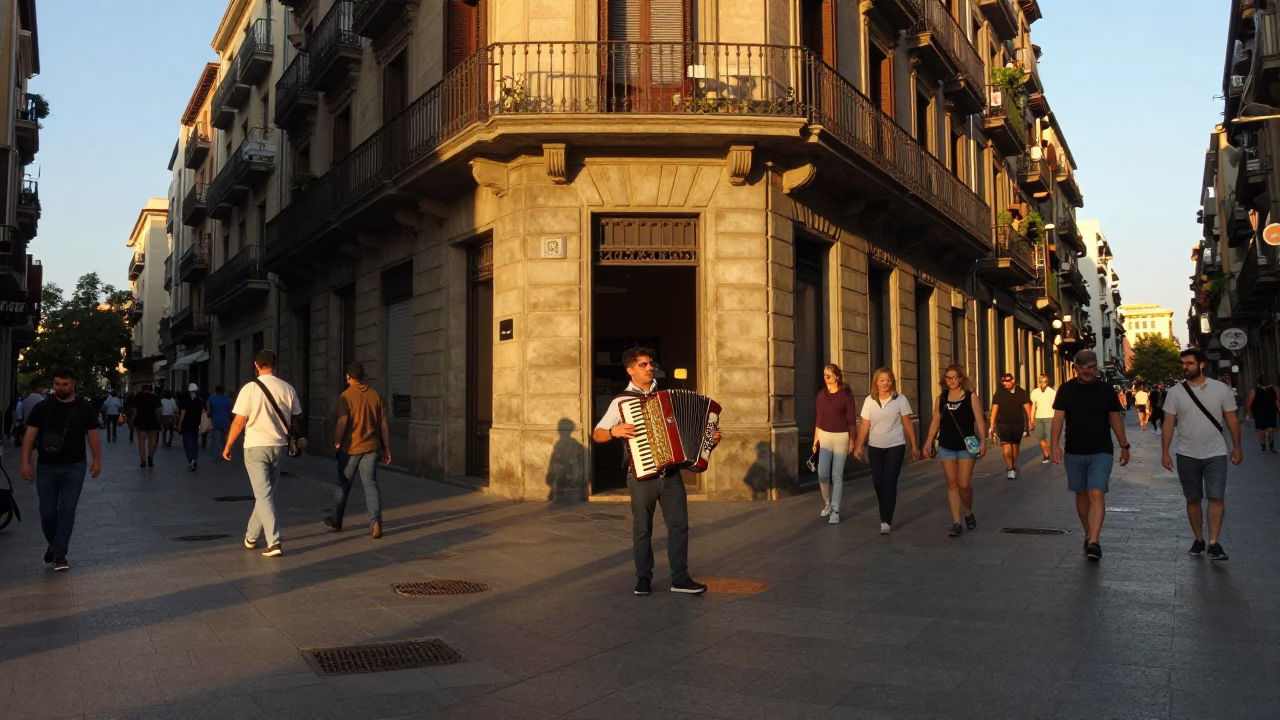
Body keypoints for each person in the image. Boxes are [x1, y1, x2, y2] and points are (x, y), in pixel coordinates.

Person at [592, 347, 717, 596]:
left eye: (651, 364)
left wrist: (709, 438)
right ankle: (643, 578)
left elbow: (695, 431)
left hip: (671, 475)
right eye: (643, 365)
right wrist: (613, 432)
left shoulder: (666, 398)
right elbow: (597, 434)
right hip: (641, 476)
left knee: (679, 526)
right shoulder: (621, 402)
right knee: (642, 529)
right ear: (630, 370)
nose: (650, 368)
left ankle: (680, 579)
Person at [1161, 349, 1243, 562]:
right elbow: (1169, 423)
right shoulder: (1175, 392)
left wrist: (1237, 446)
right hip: (1186, 453)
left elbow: (1232, 419)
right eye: (1183, 363)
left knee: (1216, 497)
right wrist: (1165, 452)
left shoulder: (1221, 389)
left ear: (1202, 364)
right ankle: (1199, 539)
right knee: (1193, 499)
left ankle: (1214, 543)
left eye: (1189, 363)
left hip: (1216, 453)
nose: (1185, 367)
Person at [1051, 350, 1130, 562]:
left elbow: (1115, 419)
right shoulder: (1066, 389)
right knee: (1081, 495)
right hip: (1074, 451)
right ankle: (1088, 533)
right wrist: (1054, 445)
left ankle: (1094, 542)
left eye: (1092, 366)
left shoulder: (1106, 390)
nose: (1088, 371)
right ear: (1075, 366)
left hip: (1101, 450)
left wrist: (1125, 446)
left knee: (1097, 492)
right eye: (1084, 367)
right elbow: (1058, 419)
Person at [19, 369, 102, 572]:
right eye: (57, 384)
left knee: (66, 511)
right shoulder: (43, 407)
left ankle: (60, 554)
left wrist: (97, 460)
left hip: (74, 466)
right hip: (46, 466)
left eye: (64, 384)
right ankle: (54, 543)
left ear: (73, 384)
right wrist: (25, 462)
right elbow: (30, 435)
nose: (60, 388)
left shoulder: (84, 407)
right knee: (47, 512)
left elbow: (92, 435)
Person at [223, 350, 302, 558]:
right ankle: (251, 536)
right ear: (274, 365)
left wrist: (228, 445)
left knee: (263, 494)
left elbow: (239, 421)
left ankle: (274, 542)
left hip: (255, 446)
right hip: (279, 446)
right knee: (265, 494)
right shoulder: (288, 388)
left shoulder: (249, 389)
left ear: (256, 365)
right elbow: (296, 417)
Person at [323, 362, 392, 538]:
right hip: (371, 447)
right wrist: (387, 449)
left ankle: (337, 519)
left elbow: (342, 422)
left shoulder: (346, 396)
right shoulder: (375, 396)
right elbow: (383, 424)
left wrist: (337, 441)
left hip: (350, 448)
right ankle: (375, 520)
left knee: (343, 484)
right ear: (362, 376)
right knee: (370, 484)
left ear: (347, 376)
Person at [922, 365, 987, 537]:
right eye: (948, 378)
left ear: (961, 379)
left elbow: (980, 420)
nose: (951, 381)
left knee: (964, 484)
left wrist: (983, 441)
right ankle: (956, 522)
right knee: (952, 484)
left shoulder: (970, 397)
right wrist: (929, 441)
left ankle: (967, 511)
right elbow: (936, 421)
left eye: (954, 377)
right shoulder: (941, 398)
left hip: (966, 446)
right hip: (946, 446)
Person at [852, 368, 917, 534]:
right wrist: (859, 445)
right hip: (875, 446)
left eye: (888, 380)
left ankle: (886, 519)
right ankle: (884, 511)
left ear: (892, 382)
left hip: (895, 445)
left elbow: (908, 424)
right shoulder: (869, 401)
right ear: (876, 382)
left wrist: (914, 445)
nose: (885, 383)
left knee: (889, 482)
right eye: (881, 380)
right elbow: (864, 425)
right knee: (878, 483)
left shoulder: (900, 399)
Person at [812, 364, 857, 524]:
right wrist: (815, 439)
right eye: (824, 375)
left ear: (836, 377)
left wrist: (853, 440)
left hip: (841, 437)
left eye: (829, 376)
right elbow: (819, 417)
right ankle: (827, 504)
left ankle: (836, 510)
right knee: (822, 474)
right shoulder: (821, 395)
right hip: (824, 436)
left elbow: (851, 420)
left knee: (837, 475)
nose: (826, 378)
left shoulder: (846, 395)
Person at [990, 373, 1033, 479]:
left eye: (1007, 381)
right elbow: (995, 409)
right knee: (1006, 447)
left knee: (1015, 447)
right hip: (1003, 424)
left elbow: (1028, 407)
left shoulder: (1021, 392)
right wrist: (992, 424)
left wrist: (1030, 421)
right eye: (1003, 381)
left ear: (1013, 381)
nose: (1005, 383)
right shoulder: (999, 393)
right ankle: (1010, 468)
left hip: (1018, 424)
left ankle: (1013, 466)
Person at [1244, 375, 1279, 453]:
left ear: (1258, 383)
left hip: (1259, 412)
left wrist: (1248, 415)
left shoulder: (1253, 391)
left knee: (1261, 428)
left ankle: (1263, 445)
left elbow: (1249, 404)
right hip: (1271, 411)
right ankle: (1271, 444)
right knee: (1270, 427)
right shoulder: (1272, 390)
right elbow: (1277, 402)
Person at [130, 385, 162, 468]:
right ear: (151, 389)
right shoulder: (156, 398)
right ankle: (150, 457)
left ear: (142, 389)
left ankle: (143, 461)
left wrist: (133, 421)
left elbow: (134, 411)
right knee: (153, 442)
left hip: (141, 423)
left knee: (141, 442)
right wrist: (158, 422)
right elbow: (158, 411)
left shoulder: (138, 398)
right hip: (153, 423)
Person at [1029, 375, 1057, 464]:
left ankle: (1052, 452)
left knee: (1049, 437)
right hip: (1039, 417)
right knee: (1041, 437)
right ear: (1038, 382)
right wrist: (1031, 419)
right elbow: (1034, 405)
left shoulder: (1052, 392)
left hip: (1050, 417)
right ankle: (1046, 454)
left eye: (1044, 381)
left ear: (1047, 382)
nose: (1042, 383)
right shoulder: (1035, 392)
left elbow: (1055, 406)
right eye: (1041, 381)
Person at [177, 383, 205, 471]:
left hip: (186, 425)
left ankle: (190, 460)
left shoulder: (186, 401)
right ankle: (194, 459)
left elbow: (183, 414)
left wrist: (179, 425)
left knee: (187, 443)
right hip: (196, 424)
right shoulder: (200, 401)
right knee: (194, 443)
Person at [206, 386, 233, 461]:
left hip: (215, 423)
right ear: (223, 391)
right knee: (224, 440)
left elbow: (208, 412)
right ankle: (224, 454)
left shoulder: (211, 399)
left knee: (215, 440)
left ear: (215, 391)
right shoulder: (228, 399)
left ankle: (215, 456)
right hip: (225, 422)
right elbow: (231, 411)